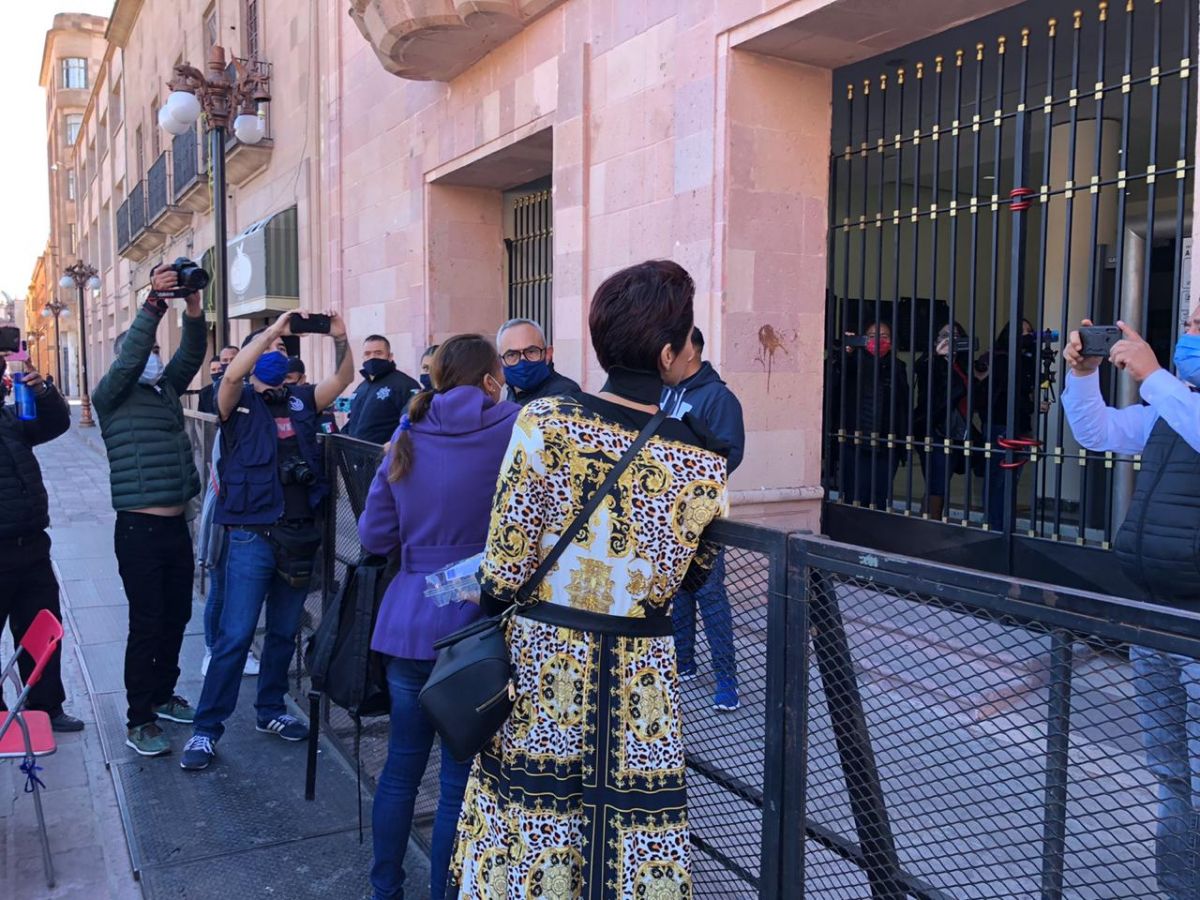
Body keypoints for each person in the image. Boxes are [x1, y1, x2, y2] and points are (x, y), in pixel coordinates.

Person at [449, 260, 728, 897]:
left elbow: (505, 566)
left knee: (532, 830)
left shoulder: (544, 422)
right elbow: (693, 575)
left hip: (544, 663)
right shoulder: (701, 458)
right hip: (640, 678)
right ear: (668, 353)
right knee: (633, 839)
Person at [358, 335, 519, 900]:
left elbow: (374, 537)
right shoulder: (515, 428)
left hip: (408, 623)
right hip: (477, 629)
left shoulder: (407, 433)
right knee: (457, 783)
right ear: (492, 379)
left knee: (401, 769)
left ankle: (385, 888)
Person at [1062, 313, 1200, 899]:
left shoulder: (1172, 399)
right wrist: (1084, 375)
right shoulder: (1173, 407)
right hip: (1153, 616)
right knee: (1171, 774)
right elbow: (1098, 433)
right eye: (1192, 320)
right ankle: (1180, 886)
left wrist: (1153, 376)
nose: (1190, 330)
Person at [181, 310, 354, 771]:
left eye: (282, 348)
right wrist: (272, 331)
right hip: (251, 537)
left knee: (282, 631)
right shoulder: (235, 401)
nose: (279, 351)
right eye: (271, 347)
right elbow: (232, 375)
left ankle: (271, 709)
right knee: (236, 636)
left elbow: (343, 379)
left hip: (297, 536)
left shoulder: (301, 400)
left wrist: (340, 338)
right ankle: (206, 729)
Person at [92, 265, 207, 757]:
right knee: (147, 622)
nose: (155, 358)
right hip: (138, 529)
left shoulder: (164, 391)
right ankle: (139, 718)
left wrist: (194, 309)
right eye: (148, 352)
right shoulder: (111, 395)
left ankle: (163, 695)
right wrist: (154, 304)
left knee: (177, 615)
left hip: (177, 527)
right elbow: (134, 354)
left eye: (158, 352)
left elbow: (192, 355)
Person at [661, 327, 745, 711]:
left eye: (670, 349)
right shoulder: (665, 392)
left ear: (689, 350)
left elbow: (729, 454)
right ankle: (684, 660)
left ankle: (726, 679)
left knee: (709, 593)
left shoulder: (719, 398)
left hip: (703, 513)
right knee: (678, 589)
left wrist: (692, 483)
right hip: (666, 510)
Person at [0, 352, 81, 732]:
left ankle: (47, 706)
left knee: (41, 630)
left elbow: (56, 423)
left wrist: (42, 391)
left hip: (31, 545)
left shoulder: (11, 418)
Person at [832, 321, 909, 509]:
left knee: (880, 497)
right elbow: (832, 384)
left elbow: (902, 405)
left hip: (887, 442)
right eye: (873, 336)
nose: (879, 340)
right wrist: (844, 354)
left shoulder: (898, 366)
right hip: (856, 441)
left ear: (892, 341)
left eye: (884, 336)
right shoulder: (852, 362)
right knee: (856, 495)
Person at [975, 323, 1038, 531]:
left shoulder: (1024, 359)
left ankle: (998, 523)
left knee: (1006, 477)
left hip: (1014, 424)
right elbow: (1008, 395)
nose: (1026, 335)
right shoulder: (1001, 359)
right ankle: (997, 525)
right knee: (1000, 477)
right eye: (1021, 331)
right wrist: (1032, 406)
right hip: (1000, 424)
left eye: (1029, 331)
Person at [913, 322, 978, 520]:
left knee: (939, 483)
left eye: (956, 335)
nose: (951, 338)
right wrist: (937, 356)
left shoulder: (962, 365)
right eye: (944, 334)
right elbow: (922, 369)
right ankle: (930, 525)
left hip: (957, 429)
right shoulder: (930, 362)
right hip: (936, 430)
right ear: (935, 340)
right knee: (937, 484)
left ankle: (926, 522)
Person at [346, 335, 420, 443]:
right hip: (355, 451)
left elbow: (412, 423)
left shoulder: (405, 385)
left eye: (378, 353)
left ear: (390, 356)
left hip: (385, 452)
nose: (372, 357)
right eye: (367, 354)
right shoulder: (361, 388)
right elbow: (352, 421)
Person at [496, 317, 580, 405]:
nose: (522, 361)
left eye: (531, 351)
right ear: (500, 361)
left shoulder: (565, 395)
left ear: (548, 354)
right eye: (512, 355)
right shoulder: (509, 393)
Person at [286, 356, 338, 434]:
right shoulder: (276, 398)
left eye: (288, 378)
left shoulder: (315, 398)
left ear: (302, 379)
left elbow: (328, 434)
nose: (284, 382)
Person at [197, 344, 238, 415]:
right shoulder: (204, 392)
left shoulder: (239, 386)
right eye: (213, 370)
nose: (217, 372)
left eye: (219, 369)